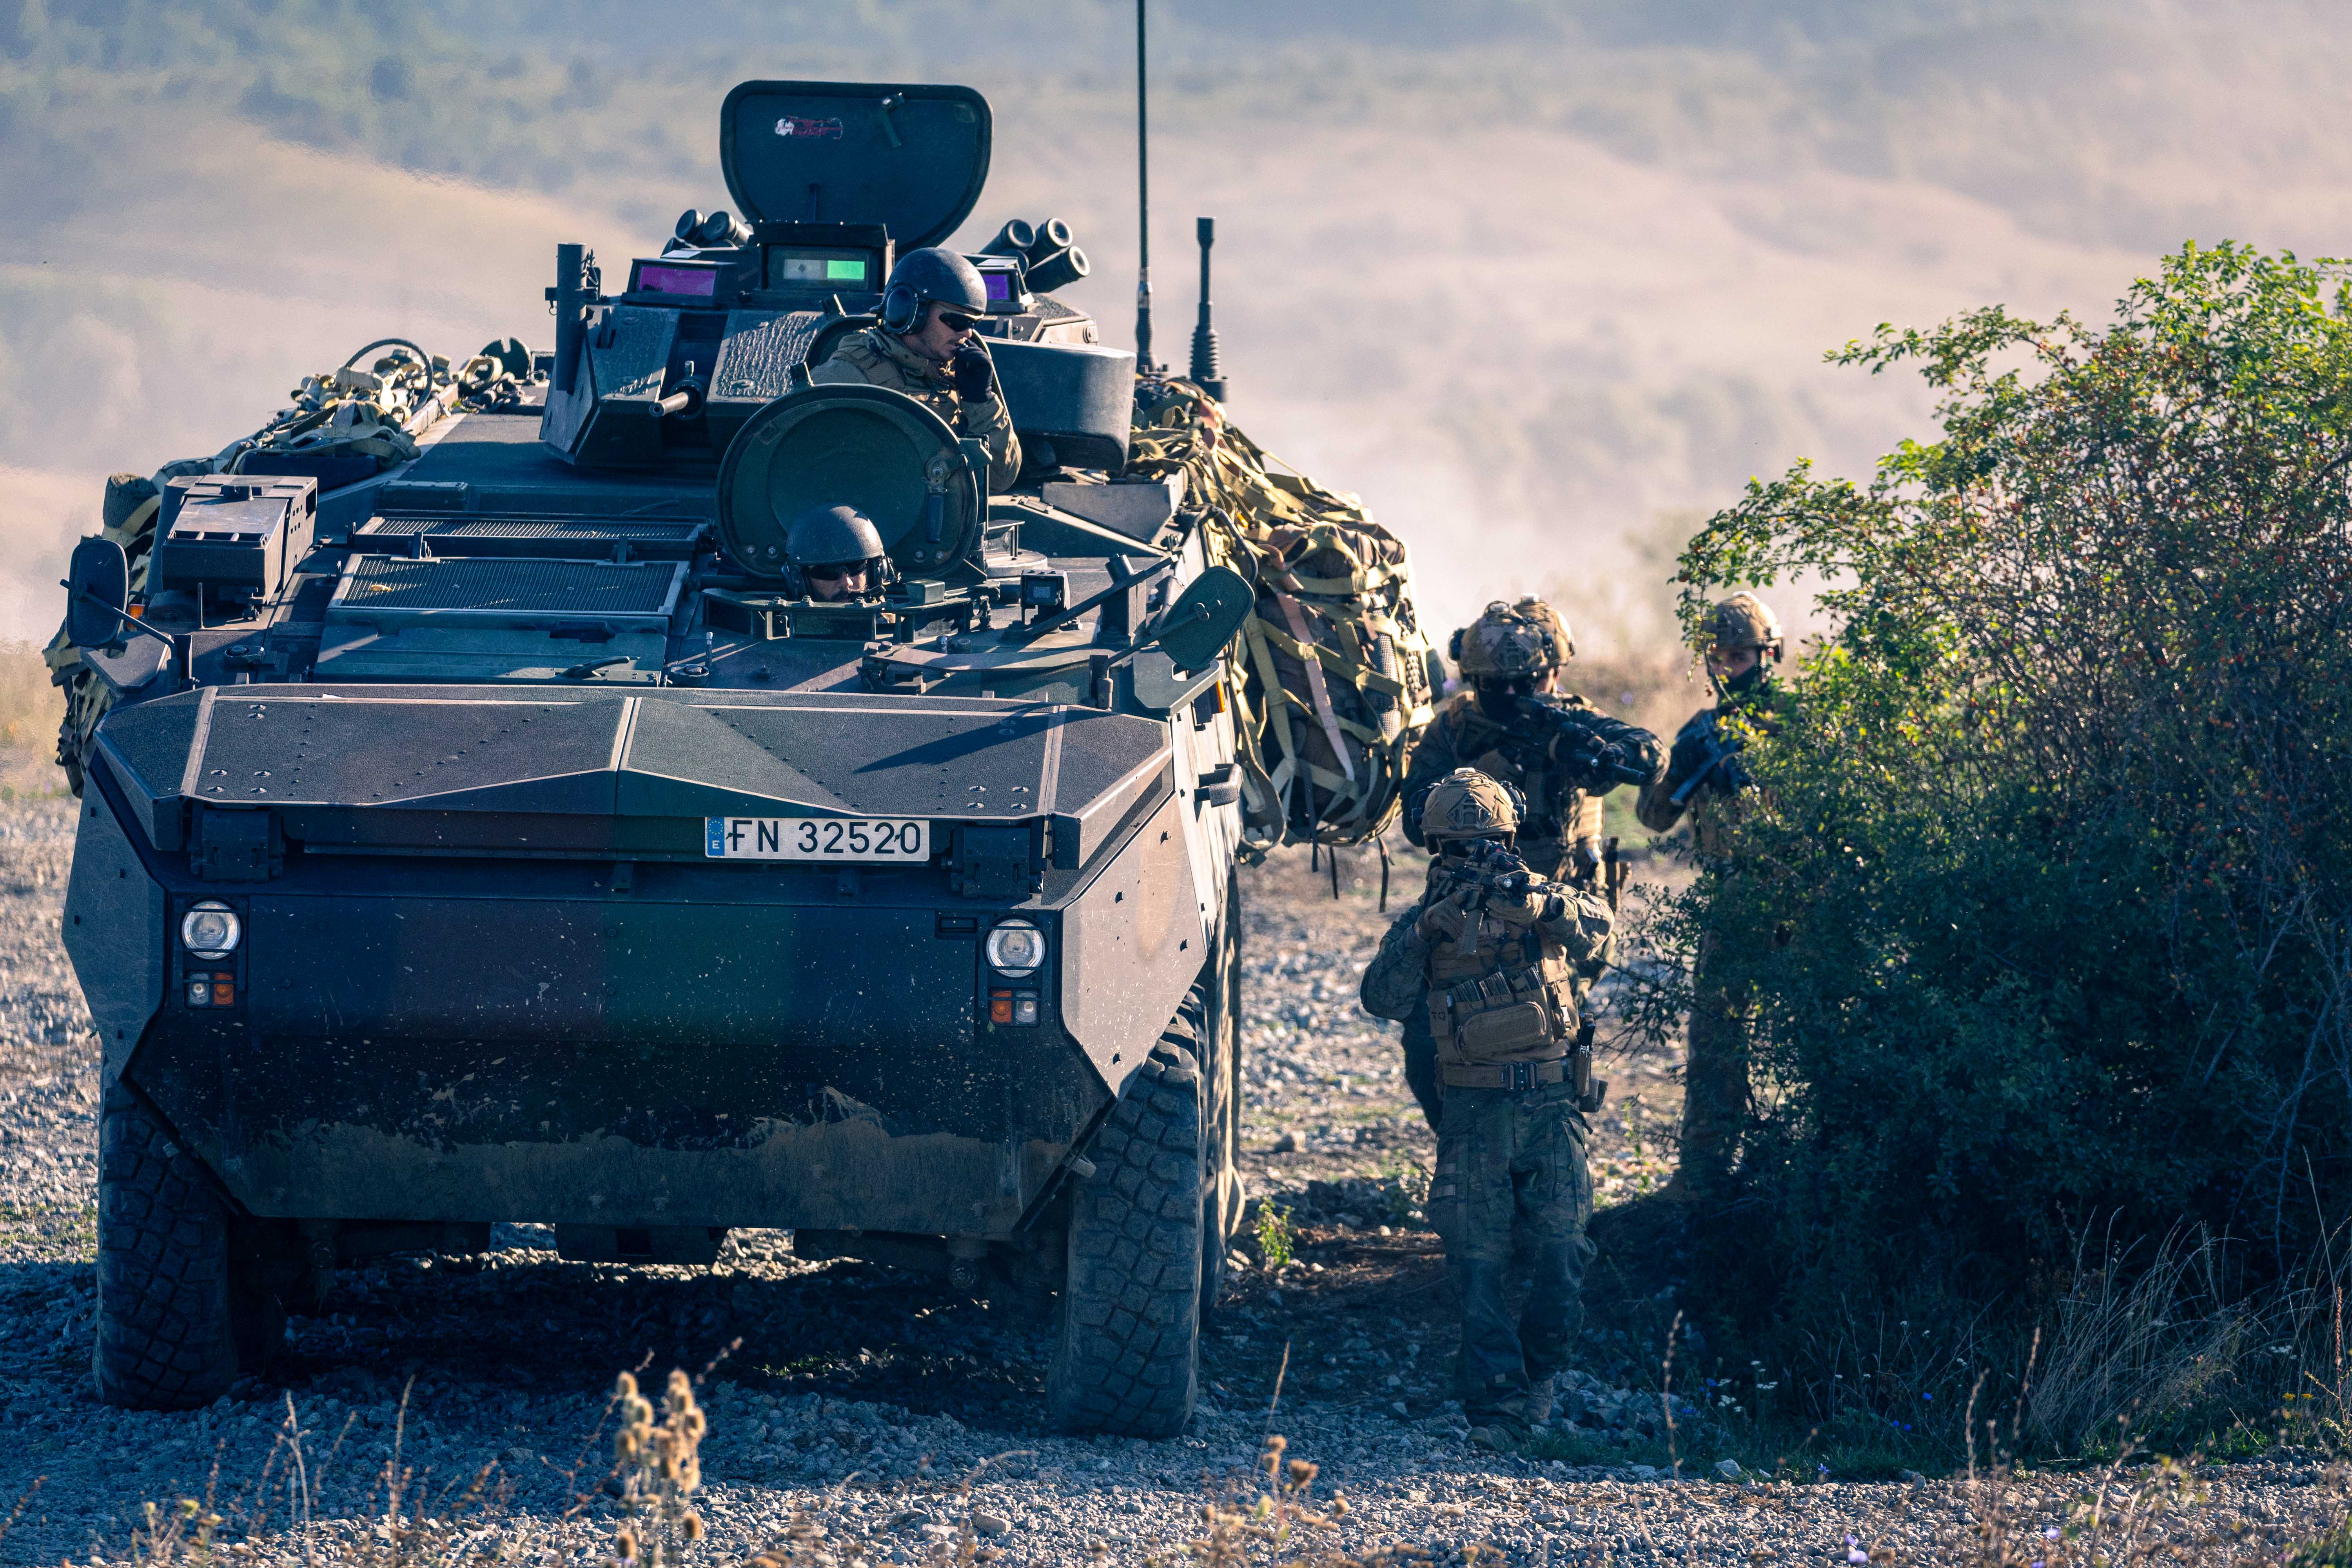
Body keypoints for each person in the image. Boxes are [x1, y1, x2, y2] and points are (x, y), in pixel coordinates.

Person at [1360, 768, 1615, 1453]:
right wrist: (1422, 936)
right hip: (1474, 1108)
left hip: (1551, 1099)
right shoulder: (1426, 924)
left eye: (1487, 846)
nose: (1472, 861)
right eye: (1455, 849)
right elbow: (1380, 999)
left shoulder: (1539, 897)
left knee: (1565, 1249)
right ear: (1435, 852)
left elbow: (1603, 935)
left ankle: (1540, 1375)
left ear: (1510, 841)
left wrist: (1540, 907)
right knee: (1477, 1262)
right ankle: (1497, 1407)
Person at [1394, 597, 1661, 1128]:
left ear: (1554, 675)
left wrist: (1596, 756)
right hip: (1468, 909)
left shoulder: (1572, 721)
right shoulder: (1453, 733)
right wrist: (1480, 782)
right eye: (1497, 686)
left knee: (1555, 1038)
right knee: (1431, 1042)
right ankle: (1467, 1145)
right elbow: (1413, 818)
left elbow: (1649, 752)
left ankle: (1555, 1156)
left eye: (1529, 683)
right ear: (1473, 680)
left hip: (1556, 911)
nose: (1514, 696)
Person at [1635, 591, 1788, 1201]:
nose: (1728, 668)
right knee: (1718, 1038)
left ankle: (1840, 1151)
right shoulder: (1701, 732)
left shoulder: (1801, 722)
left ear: (1769, 655)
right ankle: (1704, 1171)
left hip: (1802, 895)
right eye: (1719, 657)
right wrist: (1680, 765)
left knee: (1825, 1025)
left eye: (1740, 656)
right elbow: (1653, 817)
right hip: (1733, 896)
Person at [810, 248, 1023, 490]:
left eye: (973, 324)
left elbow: (1001, 479)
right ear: (909, 311)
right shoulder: (847, 377)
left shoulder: (962, 376)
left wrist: (981, 402)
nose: (967, 334)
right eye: (957, 321)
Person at [784, 504, 888, 603]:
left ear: (876, 571)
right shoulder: (778, 622)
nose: (846, 583)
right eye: (829, 571)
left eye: (856, 567)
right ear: (799, 581)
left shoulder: (896, 622)